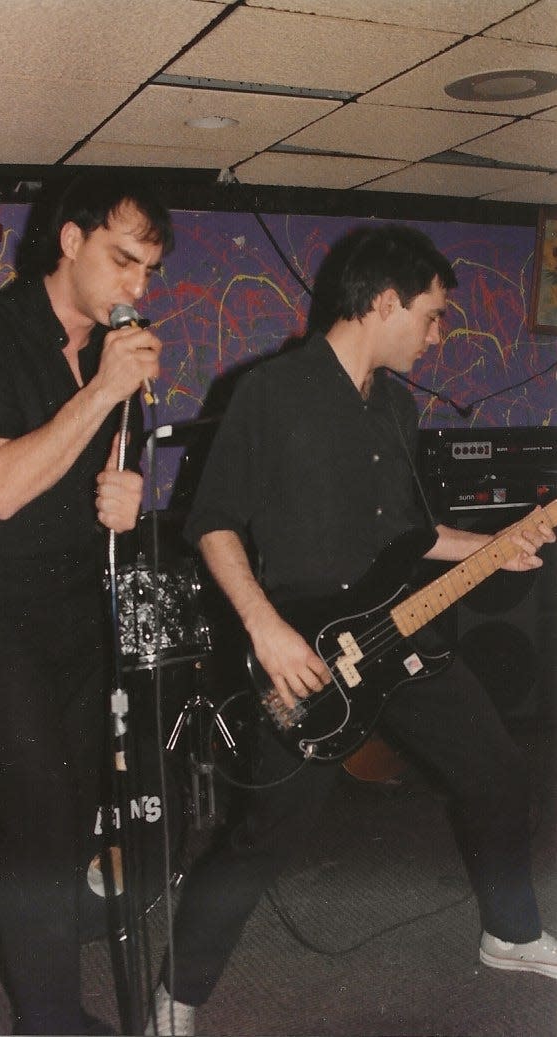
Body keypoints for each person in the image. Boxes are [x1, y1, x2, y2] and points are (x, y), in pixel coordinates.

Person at [145, 224, 557, 1036]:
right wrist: (265, 630)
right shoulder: (270, 391)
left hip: (397, 630)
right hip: (300, 645)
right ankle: (180, 992)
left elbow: (412, 532)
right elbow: (214, 521)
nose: (439, 335)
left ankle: (510, 932)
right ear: (382, 302)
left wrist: (497, 546)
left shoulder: (398, 405)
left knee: (499, 769)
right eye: (432, 315)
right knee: (266, 836)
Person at [0, 172, 173, 1035]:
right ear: (68, 241)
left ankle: (56, 1006)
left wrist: (126, 497)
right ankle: (49, 1023)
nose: (138, 289)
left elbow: (92, 490)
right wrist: (101, 391)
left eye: (149, 270)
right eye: (123, 260)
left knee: (69, 823)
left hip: (76, 606)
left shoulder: (108, 363)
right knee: (35, 816)